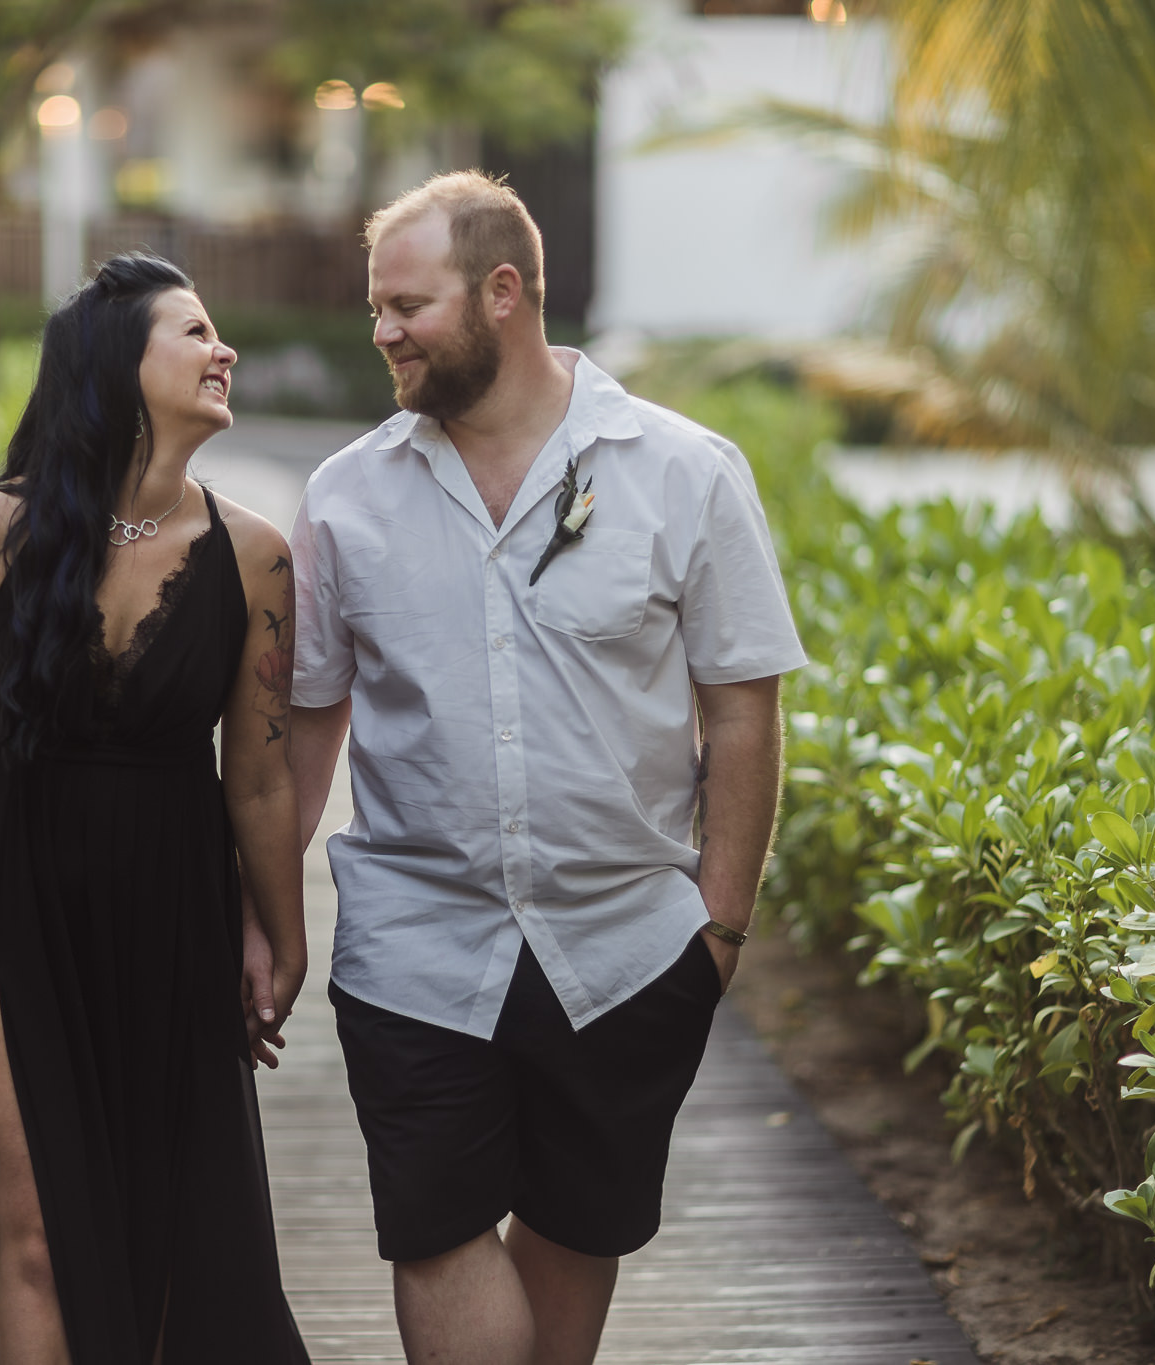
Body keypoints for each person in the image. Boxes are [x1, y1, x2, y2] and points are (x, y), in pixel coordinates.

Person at [270, 172, 809, 1365]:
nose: (381, 331)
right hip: (412, 944)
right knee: (434, 1230)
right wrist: (264, 917)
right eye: (376, 308)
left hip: (624, 950)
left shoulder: (684, 470)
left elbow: (742, 713)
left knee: (572, 1235)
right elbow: (307, 724)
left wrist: (717, 932)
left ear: (501, 292)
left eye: (406, 304)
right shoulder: (346, 495)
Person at [0, 252, 313, 1365]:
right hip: (4, 891)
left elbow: (256, 776)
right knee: (35, 1234)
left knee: (163, 1227)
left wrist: (279, 940)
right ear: (116, 366)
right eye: (193, 333)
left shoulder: (258, 560)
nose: (222, 351)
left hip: (169, 900)